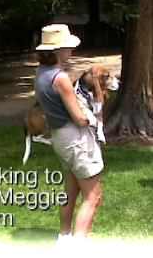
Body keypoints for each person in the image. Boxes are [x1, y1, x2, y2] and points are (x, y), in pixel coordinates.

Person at [34, 24, 103, 244]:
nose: (70, 51)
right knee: (93, 196)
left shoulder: (41, 73)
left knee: (71, 192)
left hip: (59, 138)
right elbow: (79, 118)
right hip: (75, 138)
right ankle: (78, 245)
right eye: (67, 47)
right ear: (55, 51)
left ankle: (63, 239)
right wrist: (92, 117)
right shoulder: (60, 78)